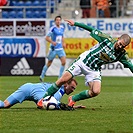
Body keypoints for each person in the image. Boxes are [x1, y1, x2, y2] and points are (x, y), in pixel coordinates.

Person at [37, 19, 133, 108]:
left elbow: (130, 66)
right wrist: (75, 24)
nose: (120, 46)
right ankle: (42, 99)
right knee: (63, 79)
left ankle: (73, 99)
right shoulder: (107, 39)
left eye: (123, 46)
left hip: (94, 69)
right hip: (83, 62)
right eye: (120, 43)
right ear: (118, 38)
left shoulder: (122, 55)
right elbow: (91, 29)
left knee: (96, 91)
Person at [0, 78, 77, 109]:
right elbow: (53, 101)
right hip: (38, 90)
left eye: (74, 88)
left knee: (5, 104)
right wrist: (69, 106)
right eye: (72, 87)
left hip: (27, 87)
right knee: (43, 103)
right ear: (65, 84)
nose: (73, 90)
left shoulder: (57, 86)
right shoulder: (61, 90)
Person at [40, 15, 66, 82]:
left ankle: (60, 78)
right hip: (53, 49)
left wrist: (63, 43)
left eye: (59, 20)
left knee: (64, 62)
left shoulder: (62, 28)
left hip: (60, 48)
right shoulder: (53, 28)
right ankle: (42, 75)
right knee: (49, 63)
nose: (58, 21)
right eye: (57, 20)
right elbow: (47, 37)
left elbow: (62, 36)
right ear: (55, 21)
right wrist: (52, 42)